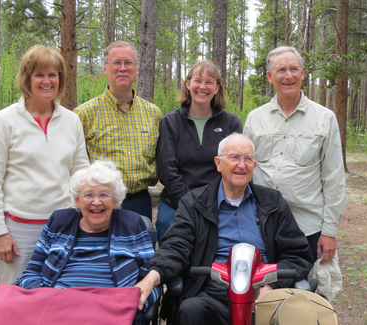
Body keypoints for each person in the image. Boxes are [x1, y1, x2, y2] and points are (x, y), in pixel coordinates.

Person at [135, 133, 313, 325]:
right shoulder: (195, 203)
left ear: (254, 166)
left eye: (248, 159)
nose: (242, 165)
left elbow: (298, 256)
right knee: (191, 310)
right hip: (213, 292)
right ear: (219, 163)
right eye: (234, 157)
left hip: (262, 295)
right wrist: (151, 278)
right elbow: (176, 246)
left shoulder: (273, 203)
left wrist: (272, 285)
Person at [0, 45, 90, 284]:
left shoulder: (72, 121)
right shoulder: (5, 120)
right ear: (27, 78)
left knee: (59, 297)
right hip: (18, 230)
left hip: (64, 226)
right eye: (39, 74)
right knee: (16, 299)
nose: (47, 81)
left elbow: (81, 175)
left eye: (53, 74)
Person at [18, 160, 162, 324]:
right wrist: (43, 297)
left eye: (104, 194)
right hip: (57, 309)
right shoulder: (59, 221)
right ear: (77, 200)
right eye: (88, 195)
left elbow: (150, 282)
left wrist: (131, 306)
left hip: (109, 311)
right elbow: (30, 273)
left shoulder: (132, 224)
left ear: (115, 200)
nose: (96, 202)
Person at [243, 46, 346, 263]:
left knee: (304, 293)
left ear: (302, 73)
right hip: (261, 225)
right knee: (262, 291)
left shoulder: (324, 119)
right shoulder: (255, 119)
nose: (288, 76)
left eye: (293, 69)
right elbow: (244, 173)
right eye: (281, 70)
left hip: (307, 228)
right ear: (270, 77)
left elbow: (334, 179)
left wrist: (329, 232)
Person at [156, 60, 242, 243]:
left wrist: (210, 204)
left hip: (219, 208)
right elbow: (167, 170)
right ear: (188, 84)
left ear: (217, 88)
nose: (203, 87)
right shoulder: (171, 122)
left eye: (209, 82)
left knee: (212, 266)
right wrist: (190, 204)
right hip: (174, 208)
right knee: (172, 265)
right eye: (197, 81)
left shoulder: (230, 123)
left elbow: (234, 168)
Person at [74, 41, 162, 220]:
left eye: (128, 63)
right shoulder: (84, 114)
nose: (123, 68)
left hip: (140, 202)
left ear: (137, 69)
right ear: (106, 69)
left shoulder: (153, 114)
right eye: (116, 63)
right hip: (98, 205)